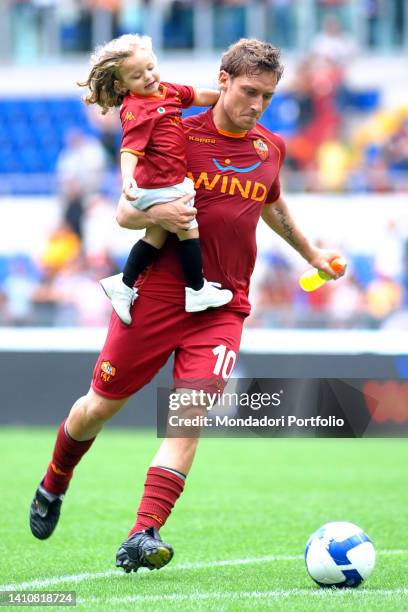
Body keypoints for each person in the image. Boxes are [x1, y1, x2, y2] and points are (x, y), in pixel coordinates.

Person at [29, 38, 345, 572]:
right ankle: (56, 478)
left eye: (267, 96)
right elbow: (126, 215)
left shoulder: (270, 147)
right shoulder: (175, 128)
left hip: (222, 305)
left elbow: (271, 202)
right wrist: (164, 215)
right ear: (222, 80)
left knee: (187, 415)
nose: (257, 105)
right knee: (97, 409)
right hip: (154, 297)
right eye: (249, 91)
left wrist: (312, 253)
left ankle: (143, 532)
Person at [79, 33, 232, 325]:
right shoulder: (136, 108)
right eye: (137, 76)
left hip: (171, 180)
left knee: (157, 236)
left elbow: (196, 96)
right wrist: (127, 179)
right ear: (123, 85)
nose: (148, 77)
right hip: (159, 184)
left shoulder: (165, 91)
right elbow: (129, 149)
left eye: (150, 68)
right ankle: (196, 288)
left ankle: (124, 285)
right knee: (188, 224)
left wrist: (225, 100)